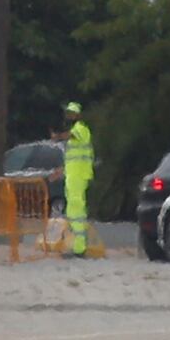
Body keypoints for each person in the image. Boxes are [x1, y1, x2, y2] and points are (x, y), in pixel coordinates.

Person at [58, 102, 96, 258]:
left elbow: (71, 136)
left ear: (78, 115)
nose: (69, 116)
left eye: (71, 114)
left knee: (77, 210)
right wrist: (61, 171)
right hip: (74, 175)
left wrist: (57, 136)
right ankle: (77, 246)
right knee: (73, 211)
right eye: (68, 113)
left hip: (79, 176)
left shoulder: (81, 129)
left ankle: (79, 248)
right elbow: (72, 158)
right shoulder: (76, 130)